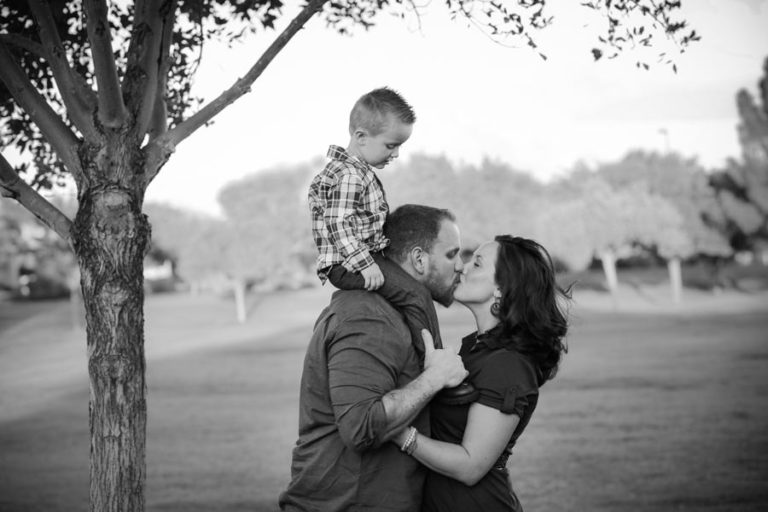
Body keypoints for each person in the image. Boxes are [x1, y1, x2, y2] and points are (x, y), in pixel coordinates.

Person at [279, 204, 468, 512]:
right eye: (451, 254)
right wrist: (434, 378)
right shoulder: (367, 317)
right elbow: (361, 426)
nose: (460, 265)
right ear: (419, 259)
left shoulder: (390, 312)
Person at [393, 235, 570, 512]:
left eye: (476, 264)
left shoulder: (508, 364)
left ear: (502, 287)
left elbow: (470, 465)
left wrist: (397, 432)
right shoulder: (475, 347)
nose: (462, 267)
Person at [308, 86, 445, 349]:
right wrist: (364, 264)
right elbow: (338, 224)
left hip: (361, 257)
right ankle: (432, 360)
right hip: (350, 264)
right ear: (361, 137)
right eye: (391, 146)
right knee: (416, 296)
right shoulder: (349, 175)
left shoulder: (353, 171)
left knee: (410, 286)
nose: (395, 154)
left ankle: (408, 345)